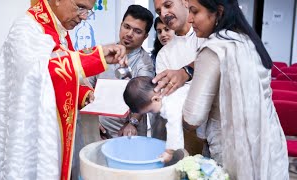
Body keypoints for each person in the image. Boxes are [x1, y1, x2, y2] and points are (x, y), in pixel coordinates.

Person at [0, 0, 127, 179]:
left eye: (88, 11)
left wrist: (84, 95)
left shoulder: (61, 31)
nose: (84, 17)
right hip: (34, 131)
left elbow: (66, 78)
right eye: (80, 7)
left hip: (60, 131)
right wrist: (96, 56)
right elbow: (40, 74)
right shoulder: (26, 28)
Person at [182, 0, 289, 179]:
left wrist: (168, 105)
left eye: (195, 11)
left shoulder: (214, 49)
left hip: (233, 152)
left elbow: (193, 116)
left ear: (218, 12)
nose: (190, 19)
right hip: (267, 144)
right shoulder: (250, 41)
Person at [89, 5, 155, 139]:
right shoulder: (103, 52)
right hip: (99, 127)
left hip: (128, 131)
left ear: (145, 36)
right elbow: (88, 85)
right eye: (126, 27)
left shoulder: (145, 63)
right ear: (121, 25)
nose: (129, 34)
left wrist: (132, 123)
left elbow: (144, 98)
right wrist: (92, 120)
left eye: (137, 31)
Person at [153, 0, 206, 155]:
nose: (163, 14)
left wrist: (186, 73)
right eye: (158, 11)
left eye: (168, 5)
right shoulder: (164, 54)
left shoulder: (206, 36)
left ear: (185, 2)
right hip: (186, 128)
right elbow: (167, 95)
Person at [123, 76, 188, 163]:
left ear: (156, 99)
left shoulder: (171, 103)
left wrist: (169, 152)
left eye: (151, 110)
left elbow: (174, 126)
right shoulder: (163, 92)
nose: (153, 113)